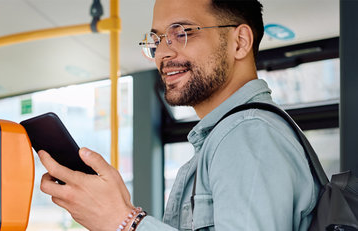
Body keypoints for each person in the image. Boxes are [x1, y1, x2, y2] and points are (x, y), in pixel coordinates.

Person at [38, 0, 320, 230]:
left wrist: (123, 222)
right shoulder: (226, 137)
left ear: (239, 42)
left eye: (182, 32)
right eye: (157, 39)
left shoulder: (247, 132)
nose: (162, 52)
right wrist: (123, 212)